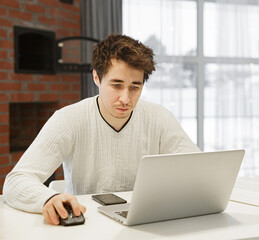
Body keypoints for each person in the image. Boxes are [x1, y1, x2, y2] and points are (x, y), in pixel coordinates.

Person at [3, 34, 200, 225]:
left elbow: (197, 170)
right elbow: (17, 181)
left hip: (145, 223)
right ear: (97, 78)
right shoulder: (68, 119)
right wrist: (48, 198)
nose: (125, 98)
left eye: (134, 87)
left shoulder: (159, 117)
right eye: (116, 85)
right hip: (87, 225)